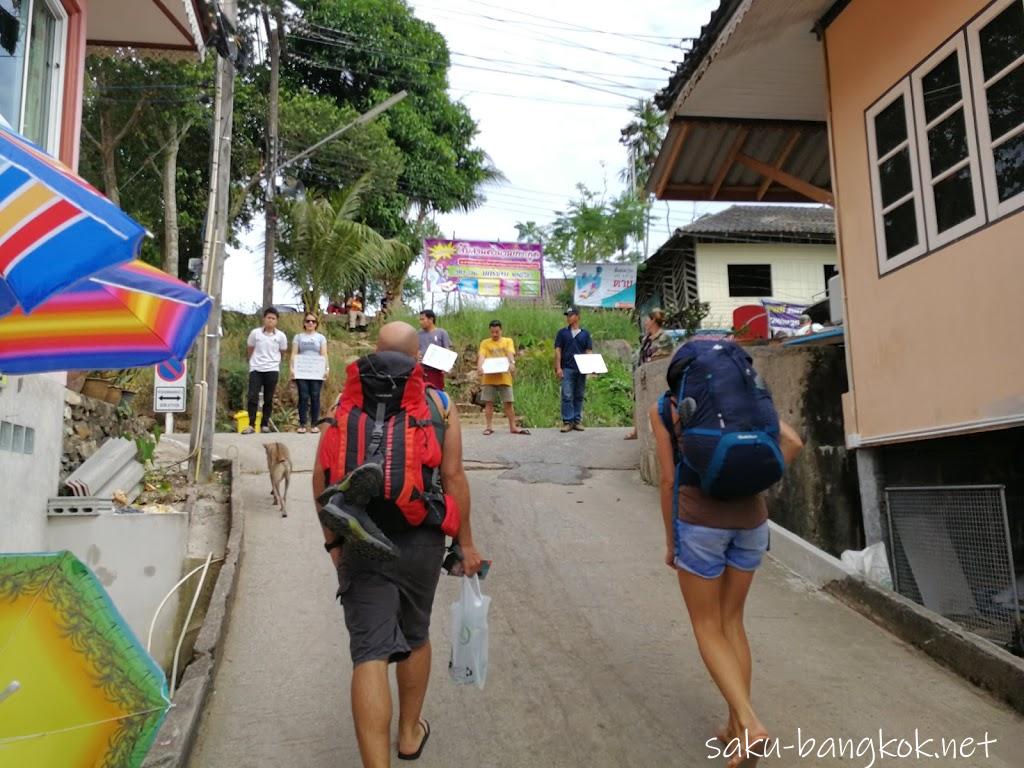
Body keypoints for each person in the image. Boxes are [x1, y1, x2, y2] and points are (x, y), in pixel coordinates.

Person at [312, 322, 484, 767]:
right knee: (415, 636)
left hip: (359, 535)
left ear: (375, 351)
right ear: (419, 355)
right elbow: (453, 478)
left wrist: (333, 542)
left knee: (370, 651)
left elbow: (322, 474)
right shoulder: (439, 404)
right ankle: (408, 735)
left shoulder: (345, 400)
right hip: (421, 538)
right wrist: (465, 544)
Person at [650, 358, 803, 768]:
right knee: (732, 621)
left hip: (699, 525)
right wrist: (754, 480)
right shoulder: (748, 408)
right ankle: (735, 728)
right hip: (751, 521)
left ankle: (750, 724)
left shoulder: (666, 408)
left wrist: (671, 540)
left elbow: (667, 481)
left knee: (706, 625)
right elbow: (793, 442)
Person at [625, 309, 675, 440]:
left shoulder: (665, 338)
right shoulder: (646, 338)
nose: (645, 322)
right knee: (638, 403)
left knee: (655, 405)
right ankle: (637, 430)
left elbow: (664, 357)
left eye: (647, 319)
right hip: (642, 376)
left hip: (657, 379)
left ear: (653, 320)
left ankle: (657, 431)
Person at [477, 319, 529, 436]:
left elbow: (510, 353)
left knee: (508, 403)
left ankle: (513, 426)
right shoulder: (485, 343)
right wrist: (479, 367)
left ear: (501, 330)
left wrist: (512, 363)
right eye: (492, 332)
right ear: (489, 331)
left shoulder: (507, 341)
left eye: (497, 332)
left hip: (504, 377)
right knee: (488, 402)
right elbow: (481, 356)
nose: (495, 335)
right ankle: (489, 427)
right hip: (489, 377)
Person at [243, 306, 288, 434]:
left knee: (268, 398)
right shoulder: (255, 333)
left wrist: (275, 362)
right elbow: (250, 348)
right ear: (264, 319)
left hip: (272, 369)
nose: (270, 320)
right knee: (252, 396)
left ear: (276, 321)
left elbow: (282, 351)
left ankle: (264, 424)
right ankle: (251, 424)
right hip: (256, 368)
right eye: (268, 317)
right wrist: (252, 361)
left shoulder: (281, 336)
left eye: (273, 318)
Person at [554, 306, 593, 433]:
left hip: (581, 369)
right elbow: (558, 351)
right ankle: (567, 421)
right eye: (567, 315)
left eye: (570, 315)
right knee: (567, 394)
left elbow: (588, 351)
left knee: (579, 394)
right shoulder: (562, 333)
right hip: (567, 368)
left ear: (577, 316)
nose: (568, 318)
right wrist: (558, 367)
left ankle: (577, 420)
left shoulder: (585, 334)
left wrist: (591, 366)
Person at [291, 313, 329, 434]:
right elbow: (294, 353)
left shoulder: (320, 338)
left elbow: (324, 354)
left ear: (316, 324)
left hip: (316, 371)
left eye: (313, 321)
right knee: (303, 396)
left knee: (315, 396)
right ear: (304, 323)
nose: (310, 323)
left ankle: (314, 424)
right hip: (302, 370)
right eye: (308, 321)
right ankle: (302, 424)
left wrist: (326, 368)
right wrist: (292, 368)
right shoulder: (298, 337)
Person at [417, 309, 453, 391]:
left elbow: (447, 349)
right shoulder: (418, 334)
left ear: (431, 319)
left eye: (423, 319)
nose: (420, 322)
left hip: (436, 370)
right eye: (420, 319)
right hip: (422, 369)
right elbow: (416, 349)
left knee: (437, 392)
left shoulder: (441, 333)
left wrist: (446, 366)